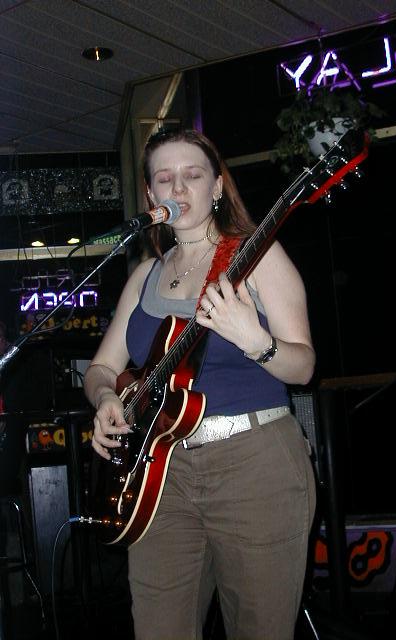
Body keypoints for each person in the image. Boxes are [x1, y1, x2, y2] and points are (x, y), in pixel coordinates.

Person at [84, 128, 317, 640]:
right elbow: (102, 367)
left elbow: (303, 367)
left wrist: (255, 341)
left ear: (217, 187)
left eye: (192, 175)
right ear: (150, 194)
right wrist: (104, 397)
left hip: (254, 463)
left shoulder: (258, 257)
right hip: (160, 475)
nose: (178, 188)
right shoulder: (144, 275)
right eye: (164, 178)